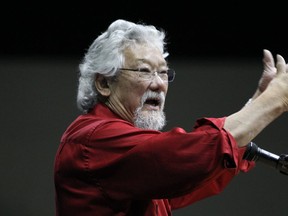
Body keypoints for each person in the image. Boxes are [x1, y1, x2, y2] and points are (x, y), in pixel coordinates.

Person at [53, 19, 288, 216]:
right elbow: (187, 154)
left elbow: (192, 176)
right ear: (104, 83)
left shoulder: (126, 155)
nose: (159, 84)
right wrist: (274, 101)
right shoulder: (92, 139)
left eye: (164, 72)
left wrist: (257, 105)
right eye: (144, 71)